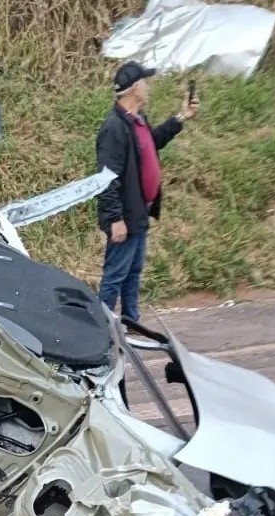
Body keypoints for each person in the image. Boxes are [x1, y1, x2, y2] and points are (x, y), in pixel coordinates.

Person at [95, 61, 199, 321]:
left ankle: (131, 321)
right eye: (145, 83)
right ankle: (100, 329)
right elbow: (106, 179)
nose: (148, 87)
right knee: (115, 274)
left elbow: (152, 144)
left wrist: (181, 117)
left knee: (133, 271)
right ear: (134, 89)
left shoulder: (137, 121)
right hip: (125, 216)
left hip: (140, 210)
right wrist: (115, 219)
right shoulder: (114, 128)